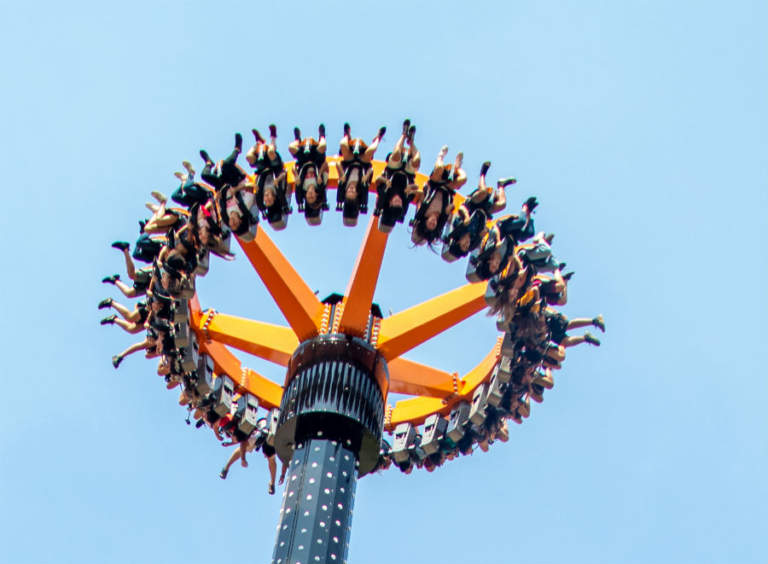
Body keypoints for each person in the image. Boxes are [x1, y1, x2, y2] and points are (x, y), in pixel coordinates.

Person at [410, 146, 466, 247]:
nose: (433, 222)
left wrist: (417, 190)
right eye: (434, 225)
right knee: (463, 179)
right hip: (447, 188)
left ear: (425, 222)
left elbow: (421, 196)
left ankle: (440, 156)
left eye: (430, 223)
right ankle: (457, 167)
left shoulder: (422, 211)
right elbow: (451, 209)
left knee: (439, 168)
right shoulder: (443, 217)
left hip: (435, 183)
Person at [373, 119, 421, 232]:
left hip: (392, 170)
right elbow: (416, 188)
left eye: (396, 202)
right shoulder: (404, 204)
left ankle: (404, 134)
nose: (399, 200)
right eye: (400, 203)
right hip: (407, 174)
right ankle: (411, 142)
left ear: (390, 203)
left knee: (396, 155)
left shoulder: (383, 198)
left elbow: (377, 180)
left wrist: (385, 182)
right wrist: (410, 188)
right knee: (417, 160)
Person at [335, 123, 386, 225]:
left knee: (343, 145)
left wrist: (342, 175)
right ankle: (378, 138)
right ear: (357, 193)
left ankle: (346, 135)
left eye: (349, 191)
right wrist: (366, 177)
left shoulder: (343, 186)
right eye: (353, 192)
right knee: (372, 150)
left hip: (349, 161)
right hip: (363, 163)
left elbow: (337, 164)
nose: (351, 189)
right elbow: (371, 171)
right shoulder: (362, 188)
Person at [247, 125, 291, 229]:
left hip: (264, 168)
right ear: (274, 198)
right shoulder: (278, 191)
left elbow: (257, 180)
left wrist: (255, 184)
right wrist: (277, 180)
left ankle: (259, 142)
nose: (266, 198)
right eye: (269, 199)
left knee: (249, 157)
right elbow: (284, 174)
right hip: (275, 166)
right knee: (271, 151)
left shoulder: (261, 193)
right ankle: (273, 136)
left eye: (266, 200)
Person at [289, 124, 329, 224]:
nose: (310, 195)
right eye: (312, 197)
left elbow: (293, 168)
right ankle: (322, 136)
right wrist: (319, 174)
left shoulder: (302, 186)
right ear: (316, 194)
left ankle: (297, 139)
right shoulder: (320, 183)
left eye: (308, 197)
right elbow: (326, 165)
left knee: (291, 147)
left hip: (304, 161)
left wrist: (296, 176)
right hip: (316, 160)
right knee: (323, 146)